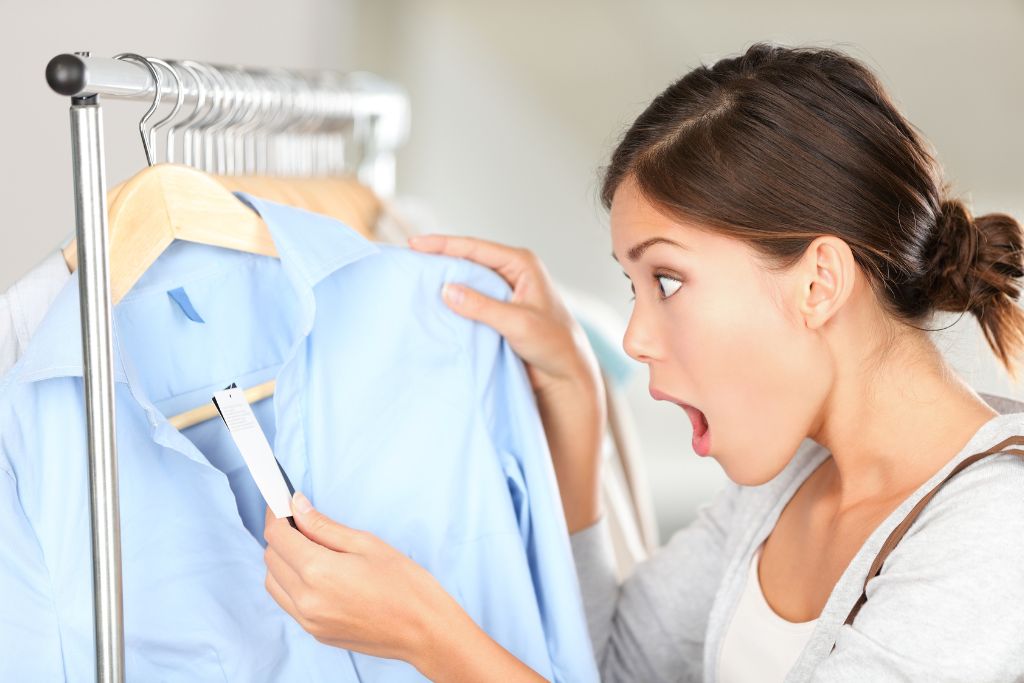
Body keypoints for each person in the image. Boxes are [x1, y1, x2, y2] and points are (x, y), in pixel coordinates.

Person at [262, 42, 1024, 682]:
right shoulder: (791, 482)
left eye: (665, 279)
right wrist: (574, 392)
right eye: (634, 288)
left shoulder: (998, 528)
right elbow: (615, 663)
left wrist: (430, 635)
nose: (635, 337)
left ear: (819, 282)